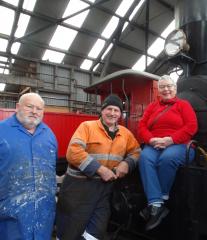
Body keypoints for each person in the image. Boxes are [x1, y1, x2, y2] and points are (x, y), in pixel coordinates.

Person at [56, 94, 141, 240]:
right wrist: (100, 169)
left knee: (96, 230)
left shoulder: (125, 134)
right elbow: (73, 152)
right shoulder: (87, 127)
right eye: (109, 109)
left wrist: (127, 163)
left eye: (116, 110)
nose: (112, 113)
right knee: (70, 228)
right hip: (78, 187)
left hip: (104, 188)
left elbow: (137, 151)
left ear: (120, 114)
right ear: (102, 111)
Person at [138, 75, 198, 231]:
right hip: (155, 144)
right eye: (162, 87)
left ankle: (159, 199)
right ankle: (157, 204)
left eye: (169, 86)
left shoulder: (183, 105)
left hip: (179, 144)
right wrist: (151, 140)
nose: (166, 89)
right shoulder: (152, 107)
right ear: (158, 91)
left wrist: (170, 140)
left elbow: (192, 126)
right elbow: (142, 127)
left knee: (168, 158)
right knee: (144, 157)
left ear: (175, 89)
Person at [0, 93, 58, 240]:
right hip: (10, 215)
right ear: (18, 107)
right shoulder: (2, 130)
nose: (34, 111)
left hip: (43, 214)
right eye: (29, 106)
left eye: (39, 108)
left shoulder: (49, 134)